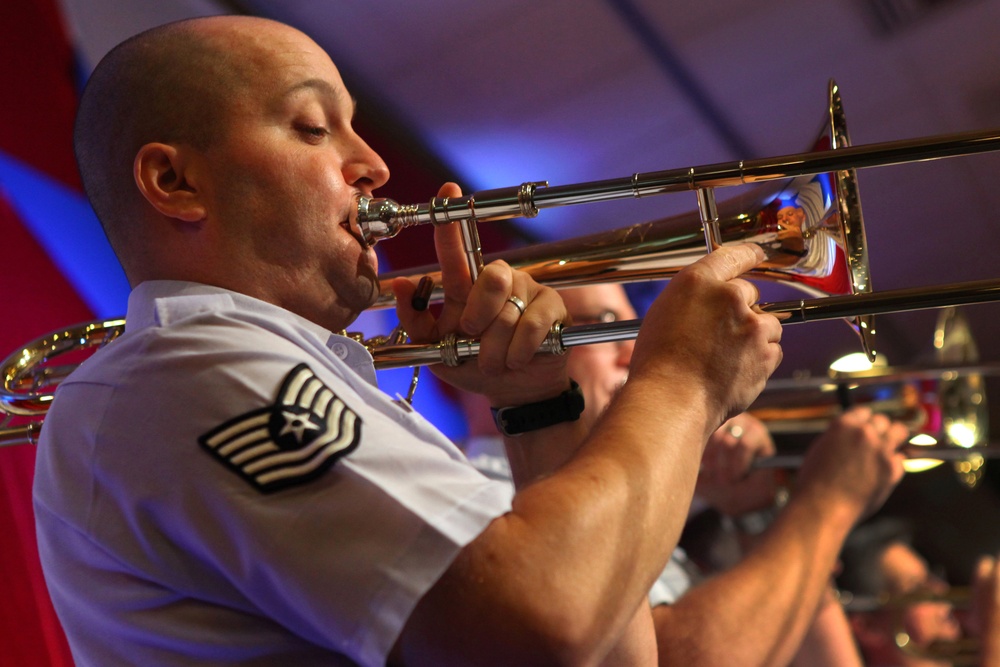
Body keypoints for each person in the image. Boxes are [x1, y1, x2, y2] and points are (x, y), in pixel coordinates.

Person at [32, 15, 791, 666]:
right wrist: (685, 381)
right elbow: (536, 628)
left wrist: (538, 410)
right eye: (312, 127)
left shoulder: (264, 371)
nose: (375, 165)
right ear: (174, 181)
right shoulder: (185, 369)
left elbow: (602, 651)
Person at [459, 283, 909, 667]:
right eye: (604, 324)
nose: (636, 353)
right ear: (507, 339)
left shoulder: (620, 502)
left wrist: (759, 516)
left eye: (635, 331)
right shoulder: (485, 502)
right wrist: (828, 504)